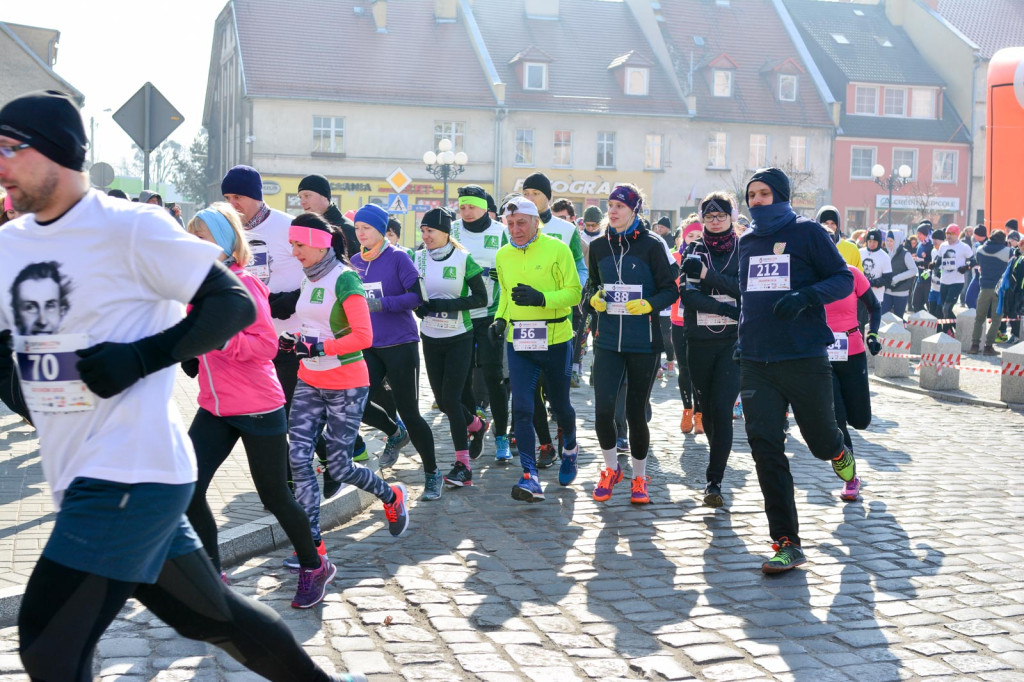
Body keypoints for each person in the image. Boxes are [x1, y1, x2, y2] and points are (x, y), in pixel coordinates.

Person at [0, 90, 365, 682]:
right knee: (212, 618)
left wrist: (140, 358)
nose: (0, 165)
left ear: (56, 152)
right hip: (90, 477)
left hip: (127, 475)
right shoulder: (9, 246)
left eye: (9, 148)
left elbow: (230, 305)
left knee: (47, 643)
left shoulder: (129, 228)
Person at [181, 203, 328, 607]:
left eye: (201, 238)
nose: (192, 244)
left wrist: (219, 341)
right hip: (215, 405)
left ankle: (314, 564)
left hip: (257, 405)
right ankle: (212, 576)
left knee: (274, 496)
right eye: (190, 237)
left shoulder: (244, 285)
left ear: (226, 243)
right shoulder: (201, 285)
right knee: (188, 488)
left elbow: (265, 345)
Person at [737, 167, 856, 574]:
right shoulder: (748, 241)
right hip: (755, 361)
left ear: (782, 196)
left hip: (803, 358)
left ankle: (839, 450)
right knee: (765, 447)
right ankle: (787, 541)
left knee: (820, 442)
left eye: (764, 194)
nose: (756, 201)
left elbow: (844, 279)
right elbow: (744, 297)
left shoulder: (808, 233)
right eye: (751, 195)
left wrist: (806, 296)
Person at [283, 211, 410, 556]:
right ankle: (312, 547)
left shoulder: (345, 279)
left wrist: (320, 347)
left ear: (320, 244)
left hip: (346, 383)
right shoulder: (308, 277)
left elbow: (363, 336)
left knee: (340, 466)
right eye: (292, 244)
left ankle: (391, 495)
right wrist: (293, 339)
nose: (294, 251)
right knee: (298, 459)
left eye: (299, 244)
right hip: (309, 378)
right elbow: (314, 324)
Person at [586, 184, 677, 504]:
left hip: (645, 341)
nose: (612, 211)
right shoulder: (598, 246)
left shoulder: (652, 245)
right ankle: (611, 469)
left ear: (634, 210)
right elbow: (592, 287)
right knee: (603, 410)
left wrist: (650, 305)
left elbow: (670, 290)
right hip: (609, 340)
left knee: (636, 413)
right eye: (610, 205)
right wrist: (594, 300)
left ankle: (639, 476)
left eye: (620, 206)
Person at [492, 196, 581, 502]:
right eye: (510, 223)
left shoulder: (558, 249)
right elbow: (505, 294)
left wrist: (541, 298)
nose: (515, 229)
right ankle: (529, 476)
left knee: (559, 406)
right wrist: (499, 320)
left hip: (555, 338)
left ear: (535, 222)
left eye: (521, 223)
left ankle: (570, 447)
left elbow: (574, 293)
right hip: (520, 341)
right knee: (522, 408)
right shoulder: (503, 255)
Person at [349, 204, 441, 497]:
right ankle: (394, 432)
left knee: (410, 412)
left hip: (400, 343)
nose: (361, 234)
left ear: (380, 230)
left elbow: (418, 296)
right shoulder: (354, 261)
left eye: (367, 228)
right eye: (357, 228)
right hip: (368, 345)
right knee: (357, 403)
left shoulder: (398, 257)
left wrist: (383, 303)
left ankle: (432, 474)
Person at [413, 207, 488, 488]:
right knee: (443, 402)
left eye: (430, 230)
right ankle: (478, 426)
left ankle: (463, 466)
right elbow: (413, 292)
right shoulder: (417, 257)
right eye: (423, 230)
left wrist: (446, 305)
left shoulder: (463, 258)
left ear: (445, 232)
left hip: (459, 335)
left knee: (453, 400)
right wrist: (418, 307)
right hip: (430, 336)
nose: (425, 235)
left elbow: (480, 298)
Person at [678, 192, 742, 508]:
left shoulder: (744, 250)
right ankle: (717, 465)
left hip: (733, 344)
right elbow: (688, 296)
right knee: (707, 409)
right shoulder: (694, 249)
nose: (715, 221)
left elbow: (745, 288)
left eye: (720, 216)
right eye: (709, 217)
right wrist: (730, 309)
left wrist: (707, 278)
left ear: (732, 217)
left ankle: (714, 481)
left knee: (722, 407)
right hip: (699, 342)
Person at [450, 185, 510, 462]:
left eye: (472, 207)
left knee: (493, 377)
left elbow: (514, 265)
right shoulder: (451, 231)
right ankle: (475, 428)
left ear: (485, 207)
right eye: (462, 207)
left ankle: (501, 436)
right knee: (461, 379)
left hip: (490, 314)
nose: (467, 212)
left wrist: (503, 273)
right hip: (459, 315)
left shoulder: (500, 232)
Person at [823, 254, 882, 502]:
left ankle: (853, 420)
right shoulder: (809, 277)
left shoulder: (851, 273)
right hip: (821, 354)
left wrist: (873, 334)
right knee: (837, 419)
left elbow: (874, 306)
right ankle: (851, 478)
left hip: (853, 350)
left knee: (860, 419)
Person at [675, 218, 704, 434]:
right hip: (678, 319)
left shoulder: (707, 259)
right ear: (683, 237)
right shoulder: (675, 258)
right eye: (690, 236)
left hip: (702, 320)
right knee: (684, 368)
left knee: (699, 369)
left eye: (698, 236)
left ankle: (700, 414)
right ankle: (687, 409)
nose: (694, 240)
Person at [971, 229, 1012, 355]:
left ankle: (975, 345)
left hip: (984, 287)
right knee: (996, 319)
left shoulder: (980, 250)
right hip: (999, 290)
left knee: (979, 318)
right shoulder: (1007, 251)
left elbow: (979, 264)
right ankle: (988, 346)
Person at [298, 173, 358, 259]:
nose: (302, 202)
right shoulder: (307, 229)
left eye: (307, 196)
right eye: (300, 197)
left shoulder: (347, 230)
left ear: (325, 197)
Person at [936, 224, 974, 333]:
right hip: (944, 281)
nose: (948, 236)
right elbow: (938, 260)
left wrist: (966, 267)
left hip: (957, 282)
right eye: (947, 233)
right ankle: (959, 330)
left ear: (957, 234)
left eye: (951, 234)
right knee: (945, 309)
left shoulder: (964, 247)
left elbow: (973, 260)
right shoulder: (943, 246)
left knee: (946, 308)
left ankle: (947, 332)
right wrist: (933, 264)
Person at [882, 229, 917, 319]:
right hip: (886, 291)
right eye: (887, 240)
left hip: (901, 292)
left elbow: (913, 270)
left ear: (898, 241)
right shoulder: (885, 253)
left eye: (892, 241)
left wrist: (897, 278)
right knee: (883, 317)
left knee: (898, 319)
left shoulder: (905, 254)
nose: (889, 243)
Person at [815, 205, 861, 270]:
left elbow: (859, 277)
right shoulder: (811, 248)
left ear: (838, 225)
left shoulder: (852, 249)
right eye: (825, 223)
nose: (829, 226)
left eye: (833, 223)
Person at [859, 229, 891, 304]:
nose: (871, 244)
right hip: (859, 296)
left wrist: (872, 283)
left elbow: (888, 279)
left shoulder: (885, 256)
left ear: (879, 242)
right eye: (870, 241)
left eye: (874, 242)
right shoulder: (859, 252)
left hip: (875, 297)